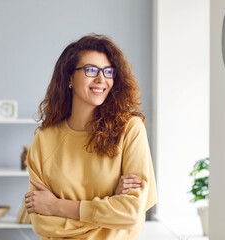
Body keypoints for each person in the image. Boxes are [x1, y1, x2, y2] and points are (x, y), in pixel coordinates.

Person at [24, 34, 157, 240]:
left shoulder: (130, 130)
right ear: (69, 77)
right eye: (91, 70)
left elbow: (131, 213)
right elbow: (42, 223)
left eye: (108, 71)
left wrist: (57, 206)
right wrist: (111, 204)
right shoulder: (44, 139)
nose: (101, 79)